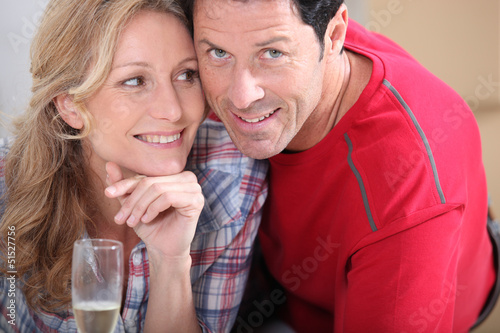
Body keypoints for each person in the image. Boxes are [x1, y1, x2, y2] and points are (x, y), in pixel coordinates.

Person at [185, 0, 500, 332]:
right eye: (219, 53)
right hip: (272, 279)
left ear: (334, 36)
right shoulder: (259, 30)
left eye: (272, 54)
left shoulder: (405, 182)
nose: (241, 96)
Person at [0, 0, 267, 332]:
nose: (172, 111)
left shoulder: (232, 177)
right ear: (71, 106)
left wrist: (170, 263)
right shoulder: (7, 188)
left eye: (187, 75)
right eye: (135, 81)